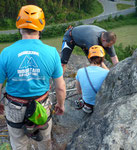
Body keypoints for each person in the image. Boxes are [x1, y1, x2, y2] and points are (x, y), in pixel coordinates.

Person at [0, 5, 66, 150]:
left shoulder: (6, 53)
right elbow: (60, 87)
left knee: (18, 144)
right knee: (45, 141)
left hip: (14, 107)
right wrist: (60, 104)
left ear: (19, 26)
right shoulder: (52, 53)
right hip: (41, 107)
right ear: (41, 27)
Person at [75, 45, 109, 113]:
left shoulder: (80, 71)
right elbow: (112, 74)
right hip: (101, 103)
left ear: (89, 58)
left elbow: (79, 91)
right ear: (102, 59)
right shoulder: (106, 72)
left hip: (88, 104)